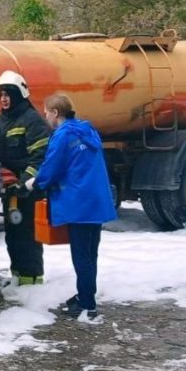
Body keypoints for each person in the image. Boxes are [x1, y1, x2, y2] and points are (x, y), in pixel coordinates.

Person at [28, 94, 116, 321]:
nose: (45, 117)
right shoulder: (88, 130)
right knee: (90, 254)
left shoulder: (63, 135)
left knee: (81, 256)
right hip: (96, 201)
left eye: (46, 113)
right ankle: (85, 295)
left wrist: (36, 183)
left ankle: (87, 305)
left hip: (79, 203)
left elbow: (52, 166)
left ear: (55, 113)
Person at [0, 70, 51, 286]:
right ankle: (18, 276)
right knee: (12, 234)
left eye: (8, 94)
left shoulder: (32, 120)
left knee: (28, 235)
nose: (4, 98)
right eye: (1, 94)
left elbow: (40, 158)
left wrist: (24, 182)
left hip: (28, 190)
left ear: (19, 94)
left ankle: (32, 281)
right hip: (10, 189)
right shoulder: (0, 120)